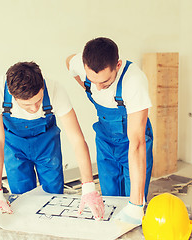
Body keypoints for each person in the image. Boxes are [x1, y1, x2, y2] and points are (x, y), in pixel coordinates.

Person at [0, 61, 104, 219]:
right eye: (27, 105)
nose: (34, 109)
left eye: (38, 101)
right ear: (12, 95)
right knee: (21, 197)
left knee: (54, 193)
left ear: (42, 88)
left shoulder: (55, 90)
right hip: (14, 145)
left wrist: (88, 187)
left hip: (47, 144)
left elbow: (77, 139)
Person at [66, 37, 153, 225]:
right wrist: (86, 86)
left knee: (134, 197)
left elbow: (137, 143)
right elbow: (68, 61)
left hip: (132, 140)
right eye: (92, 80)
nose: (98, 87)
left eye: (105, 82)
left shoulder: (134, 81)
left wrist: (136, 205)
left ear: (118, 65)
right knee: (110, 197)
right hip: (105, 140)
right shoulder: (81, 65)